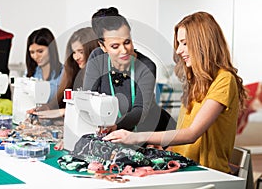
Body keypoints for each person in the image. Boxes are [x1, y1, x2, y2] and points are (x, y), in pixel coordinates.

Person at [103, 11, 248, 174]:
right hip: (186, 167)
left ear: (203, 44)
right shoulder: (196, 82)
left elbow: (192, 134)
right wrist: (167, 148)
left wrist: (136, 137)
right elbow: (184, 133)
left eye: (184, 43)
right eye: (178, 44)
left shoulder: (224, 80)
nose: (179, 50)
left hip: (206, 172)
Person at [83, 7, 175, 137]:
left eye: (127, 42)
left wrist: (115, 125)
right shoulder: (97, 58)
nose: (124, 50)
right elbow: (89, 98)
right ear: (102, 46)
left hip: (154, 133)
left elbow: (140, 110)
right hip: (118, 132)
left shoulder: (146, 66)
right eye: (115, 46)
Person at [28, 27, 99, 150]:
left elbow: (94, 111)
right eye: (74, 52)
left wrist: (62, 112)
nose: (76, 57)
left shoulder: (101, 77)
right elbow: (61, 100)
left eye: (80, 52)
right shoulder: (74, 73)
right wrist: (47, 107)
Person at [25, 27, 63, 102]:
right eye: (32, 52)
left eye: (40, 51)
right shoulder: (30, 73)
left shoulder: (64, 73)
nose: (35, 56)